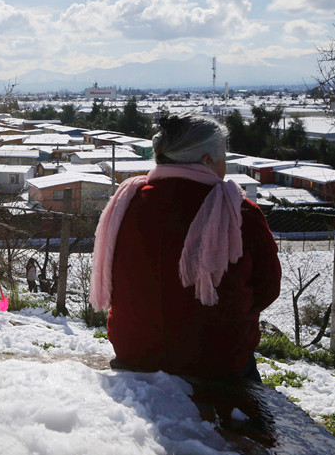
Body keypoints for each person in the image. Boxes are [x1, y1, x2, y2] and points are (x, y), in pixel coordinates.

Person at [90, 113, 281, 381]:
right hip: (217, 360)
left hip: (135, 352)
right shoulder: (238, 212)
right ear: (207, 160)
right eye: (223, 157)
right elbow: (268, 288)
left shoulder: (127, 203)